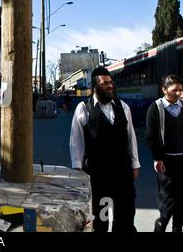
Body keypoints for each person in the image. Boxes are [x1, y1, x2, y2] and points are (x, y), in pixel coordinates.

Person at [69, 66, 140, 232]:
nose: (110, 86)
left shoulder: (123, 106)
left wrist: (135, 163)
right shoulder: (83, 108)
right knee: (100, 217)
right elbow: (76, 139)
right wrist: (78, 167)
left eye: (111, 82)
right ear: (95, 86)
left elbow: (131, 137)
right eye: (105, 83)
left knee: (125, 215)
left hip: (123, 170)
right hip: (97, 172)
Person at [146, 75, 183, 232]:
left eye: (181, 90)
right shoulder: (156, 107)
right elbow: (151, 134)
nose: (178, 93)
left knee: (181, 204)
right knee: (167, 203)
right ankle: (160, 227)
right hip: (166, 161)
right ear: (164, 90)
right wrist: (157, 157)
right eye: (175, 90)